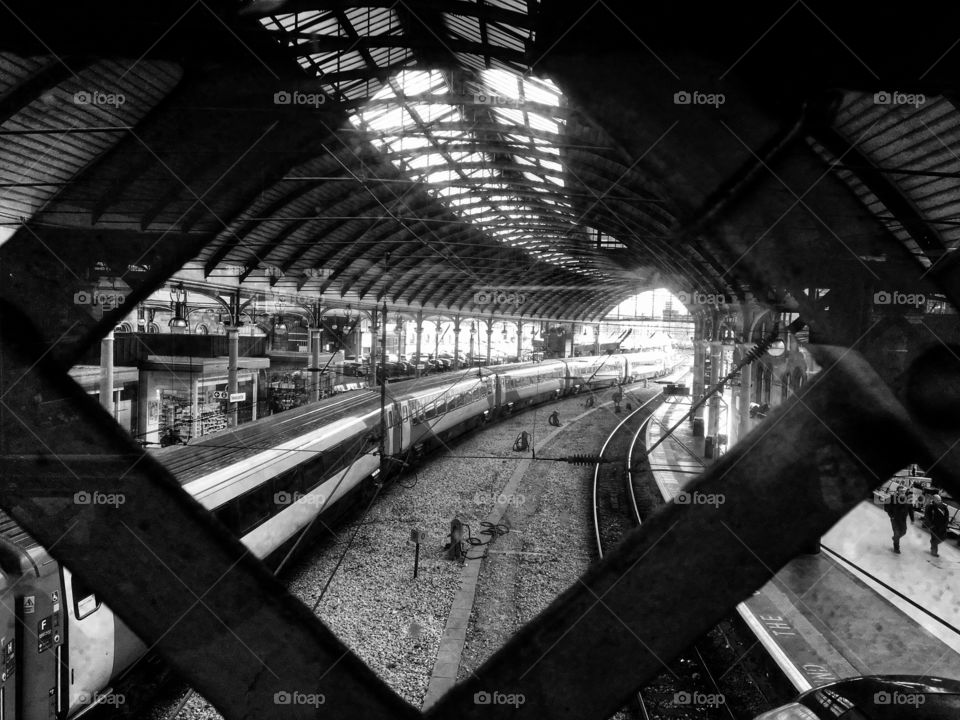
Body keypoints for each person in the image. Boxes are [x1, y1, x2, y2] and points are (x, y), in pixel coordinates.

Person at [884, 488, 914, 554]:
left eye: (904, 491)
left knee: (903, 532)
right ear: (898, 491)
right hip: (895, 519)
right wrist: (891, 516)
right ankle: (896, 548)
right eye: (901, 491)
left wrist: (912, 519)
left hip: (903, 520)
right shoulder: (892, 498)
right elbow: (886, 507)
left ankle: (895, 538)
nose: (903, 492)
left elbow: (911, 510)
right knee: (897, 532)